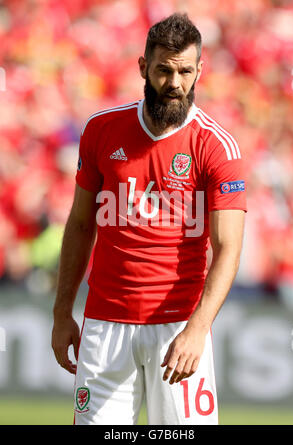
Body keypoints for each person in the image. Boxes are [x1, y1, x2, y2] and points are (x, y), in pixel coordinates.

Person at [51, 13, 246, 425]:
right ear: (143, 67)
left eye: (185, 71)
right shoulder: (101, 130)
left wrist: (197, 330)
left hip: (177, 327)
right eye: (163, 70)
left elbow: (228, 249)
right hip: (104, 325)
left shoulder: (217, 146)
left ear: (199, 72)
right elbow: (81, 224)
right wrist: (62, 310)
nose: (175, 83)